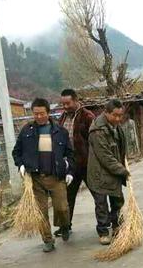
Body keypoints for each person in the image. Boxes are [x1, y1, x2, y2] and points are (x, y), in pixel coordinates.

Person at [12, 98, 74, 252]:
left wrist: (70, 171)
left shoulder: (60, 132)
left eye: (42, 113)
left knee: (62, 208)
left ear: (48, 112)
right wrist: (20, 165)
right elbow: (16, 152)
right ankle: (47, 240)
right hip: (36, 178)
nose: (39, 117)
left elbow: (71, 154)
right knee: (41, 211)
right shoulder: (27, 131)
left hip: (56, 176)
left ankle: (64, 226)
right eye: (35, 114)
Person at [87, 99, 129, 245]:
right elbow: (105, 156)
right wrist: (122, 170)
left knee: (117, 200)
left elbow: (120, 149)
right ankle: (103, 231)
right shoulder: (97, 130)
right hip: (99, 173)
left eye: (120, 115)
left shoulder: (116, 127)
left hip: (113, 172)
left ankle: (118, 227)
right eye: (115, 115)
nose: (118, 119)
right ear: (106, 113)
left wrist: (122, 166)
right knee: (101, 204)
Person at [55, 88, 96, 237]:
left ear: (76, 100)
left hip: (86, 163)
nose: (65, 106)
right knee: (66, 198)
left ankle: (104, 223)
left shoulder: (87, 116)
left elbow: (94, 141)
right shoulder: (62, 118)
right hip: (70, 166)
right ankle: (65, 226)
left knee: (97, 194)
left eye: (68, 103)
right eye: (63, 104)